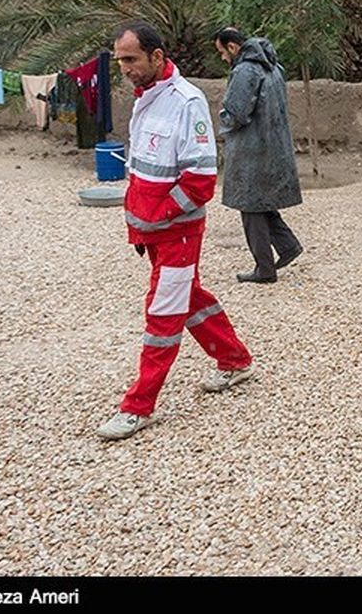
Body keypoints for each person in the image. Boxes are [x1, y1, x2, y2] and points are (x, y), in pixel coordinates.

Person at [96, 22, 254, 441]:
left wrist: (162, 216)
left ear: (157, 57)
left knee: (162, 314)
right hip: (155, 233)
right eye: (120, 60)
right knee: (188, 297)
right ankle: (235, 360)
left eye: (131, 59)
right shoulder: (146, 99)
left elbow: (201, 180)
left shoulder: (186, 102)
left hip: (177, 233)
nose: (125, 68)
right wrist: (140, 221)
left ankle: (138, 405)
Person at [214, 27, 303, 284]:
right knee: (261, 201)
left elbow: (237, 113)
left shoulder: (245, 71)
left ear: (233, 47)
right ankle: (287, 246)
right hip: (274, 146)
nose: (222, 58)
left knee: (250, 207)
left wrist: (223, 119)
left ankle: (264, 269)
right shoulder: (275, 68)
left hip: (252, 149)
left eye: (222, 52)